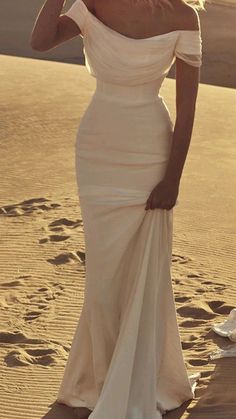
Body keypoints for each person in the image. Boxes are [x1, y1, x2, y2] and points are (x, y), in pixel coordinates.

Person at [30, 0, 204, 418]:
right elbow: (40, 42)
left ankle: (143, 373)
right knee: (104, 271)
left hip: (149, 149)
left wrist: (173, 178)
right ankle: (102, 374)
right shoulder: (90, 5)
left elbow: (187, 109)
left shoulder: (183, 16)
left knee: (145, 263)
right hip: (98, 148)